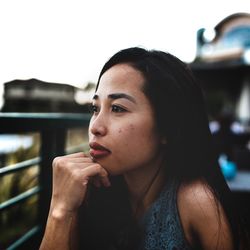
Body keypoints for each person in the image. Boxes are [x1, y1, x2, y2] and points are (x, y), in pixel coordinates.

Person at [40, 47, 249, 250]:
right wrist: (60, 210)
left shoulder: (195, 202)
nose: (95, 127)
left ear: (168, 127)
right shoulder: (87, 191)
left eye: (118, 108)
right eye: (95, 108)